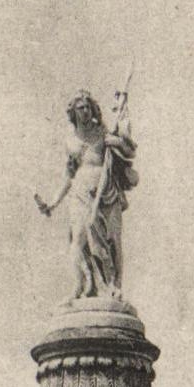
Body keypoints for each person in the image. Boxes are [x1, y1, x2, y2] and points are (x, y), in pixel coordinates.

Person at [35, 90, 138, 302]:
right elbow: (68, 175)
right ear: (73, 112)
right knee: (78, 242)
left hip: (106, 189)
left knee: (114, 240)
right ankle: (79, 286)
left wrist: (117, 143)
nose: (85, 111)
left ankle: (115, 286)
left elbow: (129, 150)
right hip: (81, 192)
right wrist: (53, 203)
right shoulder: (71, 142)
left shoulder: (102, 132)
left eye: (88, 107)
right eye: (80, 108)